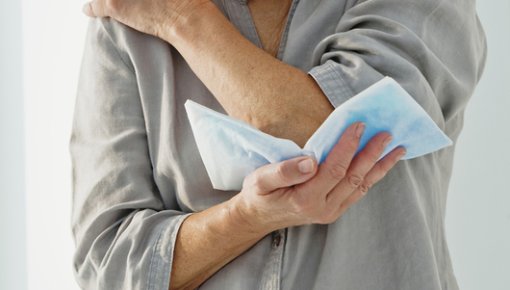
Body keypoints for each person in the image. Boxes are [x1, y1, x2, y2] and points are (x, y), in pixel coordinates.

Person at [70, 0, 487, 289]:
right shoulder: (129, 21)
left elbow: (322, 129)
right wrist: (246, 218)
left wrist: (183, 18)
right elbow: (107, 264)